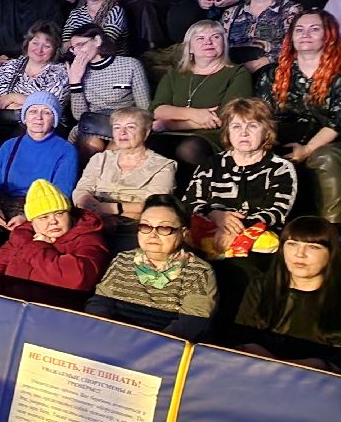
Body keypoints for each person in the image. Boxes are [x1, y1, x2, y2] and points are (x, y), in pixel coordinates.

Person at [85, 194, 217, 339]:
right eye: (145, 226)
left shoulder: (198, 271)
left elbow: (191, 324)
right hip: (113, 338)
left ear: (183, 233)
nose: (152, 235)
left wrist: (150, 346)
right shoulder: (123, 260)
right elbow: (100, 303)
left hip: (164, 349)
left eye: (164, 228)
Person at [183, 97, 297, 259]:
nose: (244, 133)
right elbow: (189, 202)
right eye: (236, 126)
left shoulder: (280, 168)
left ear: (267, 131)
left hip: (258, 241)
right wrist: (214, 214)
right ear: (228, 133)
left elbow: (276, 212)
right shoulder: (211, 164)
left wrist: (238, 231)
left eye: (252, 126)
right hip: (209, 231)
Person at [257, 11, 341, 224]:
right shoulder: (273, 73)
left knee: (325, 158)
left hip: (329, 140)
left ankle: (331, 229)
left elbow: (337, 121)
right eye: (299, 30)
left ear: (328, 35)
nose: (305, 34)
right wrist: (270, 142)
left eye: (315, 29)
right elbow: (262, 115)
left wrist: (308, 150)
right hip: (282, 136)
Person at [0, 178, 109, 308]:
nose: (53, 221)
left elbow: (76, 280)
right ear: (32, 221)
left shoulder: (88, 237)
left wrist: (39, 248)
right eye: (44, 217)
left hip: (51, 314)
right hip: (9, 308)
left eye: (59, 213)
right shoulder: (22, 235)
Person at [232, 217, 341, 368]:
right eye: (292, 244)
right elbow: (241, 336)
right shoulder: (261, 285)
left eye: (313, 247)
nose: (300, 254)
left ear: (331, 253)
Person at [151, 19, 254, 166]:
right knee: (150, 145)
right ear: (190, 48)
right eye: (200, 38)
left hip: (215, 135)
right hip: (170, 133)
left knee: (189, 149)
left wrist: (171, 124)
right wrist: (195, 114)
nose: (208, 42)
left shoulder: (238, 72)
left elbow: (224, 117)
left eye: (215, 37)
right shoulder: (175, 74)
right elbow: (157, 110)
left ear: (223, 44)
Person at [73, 107, 177, 248]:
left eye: (130, 127)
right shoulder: (100, 158)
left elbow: (154, 205)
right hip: (94, 223)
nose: (122, 133)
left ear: (146, 133)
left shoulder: (163, 165)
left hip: (137, 230)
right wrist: (99, 215)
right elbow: (81, 191)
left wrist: (108, 209)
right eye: (117, 128)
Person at [0, 91, 79, 230]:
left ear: (54, 119)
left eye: (46, 112)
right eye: (33, 111)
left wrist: (29, 217)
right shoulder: (10, 145)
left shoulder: (66, 150)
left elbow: (61, 193)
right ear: (25, 116)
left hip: (42, 211)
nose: (39, 117)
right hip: (4, 206)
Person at [65, 24, 150, 157]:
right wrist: (75, 82)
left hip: (123, 123)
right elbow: (79, 116)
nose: (77, 51)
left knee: (114, 150)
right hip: (93, 125)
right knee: (92, 146)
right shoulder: (77, 70)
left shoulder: (130, 65)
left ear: (97, 41)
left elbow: (144, 107)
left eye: (81, 45)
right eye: (73, 48)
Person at [0, 21, 68, 123]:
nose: (39, 50)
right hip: (1, 122)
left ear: (55, 50)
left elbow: (49, 108)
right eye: (35, 43)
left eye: (47, 46)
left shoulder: (61, 73)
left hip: (40, 127)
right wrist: (23, 106)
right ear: (27, 44)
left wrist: (11, 98)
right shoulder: (11, 65)